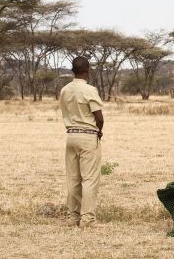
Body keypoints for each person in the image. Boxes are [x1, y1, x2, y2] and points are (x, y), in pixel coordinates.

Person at [60, 56, 105, 228]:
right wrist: (99, 132)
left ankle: (72, 217)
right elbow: (99, 117)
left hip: (71, 136)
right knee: (89, 179)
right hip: (87, 136)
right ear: (88, 71)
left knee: (73, 179)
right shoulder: (89, 90)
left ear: (73, 71)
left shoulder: (65, 90)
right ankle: (87, 219)